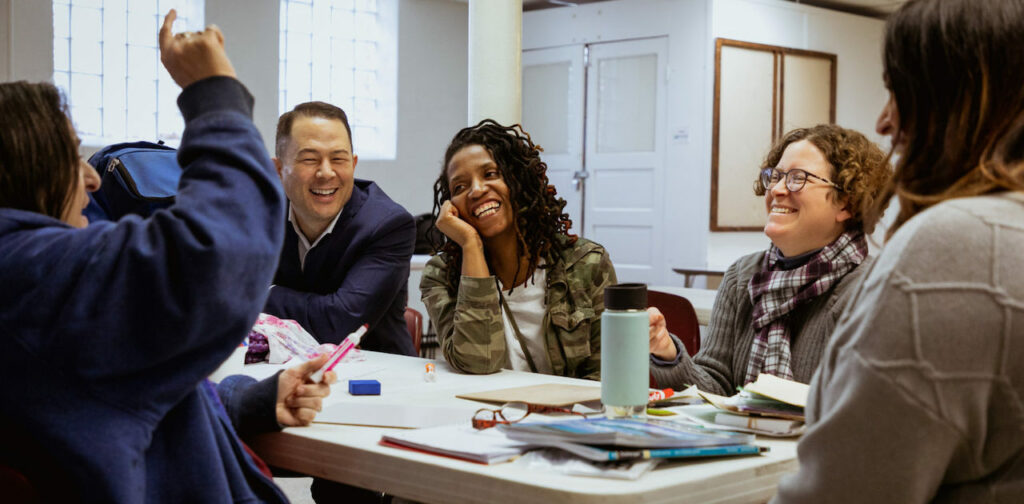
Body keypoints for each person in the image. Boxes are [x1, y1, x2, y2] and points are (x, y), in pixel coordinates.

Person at [0, 11, 331, 503]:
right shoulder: (28, 274)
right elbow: (218, 253)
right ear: (29, 169)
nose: (91, 180)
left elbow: (102, 405)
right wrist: (213, 92)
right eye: (72, 155)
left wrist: (248, 400)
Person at [773, 0, 1024, 501]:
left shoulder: (955, 246)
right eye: (776, 176)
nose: (884, 123)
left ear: (953, 98)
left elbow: (844, 490)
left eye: (897, 91)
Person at [648, 124, 891, 394]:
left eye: (798, 178)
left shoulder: (872, 290)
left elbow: (861, 408)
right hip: (743, 435)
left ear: (846, 203)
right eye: (775, 176)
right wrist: (667, 353)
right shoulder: (742, 276)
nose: (776, 189)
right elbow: (716, 387)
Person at [420, 119, 616, 379]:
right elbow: (478, 363)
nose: (476, 191)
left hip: (571, 416)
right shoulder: (441, 275)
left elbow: (605, 379)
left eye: (490, 174)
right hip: (482, 414)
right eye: (460, 187)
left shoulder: (587, 264)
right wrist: (471, 244)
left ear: (519, 179)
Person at [263, 101, 417, 356]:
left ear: (353, 164)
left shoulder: (388, 225)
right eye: (310, 159)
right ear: (278, 169)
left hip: (377, 380)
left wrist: (258, 294)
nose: (326, 172)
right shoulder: (260, 215)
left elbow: (338, 324)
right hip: (283, 373)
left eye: (338, 159)